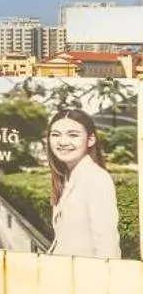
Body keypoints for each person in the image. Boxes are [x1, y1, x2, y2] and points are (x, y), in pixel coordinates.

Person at [46, 108, 122, 259]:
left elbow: (107, 246)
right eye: (55, 135)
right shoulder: (67, 177)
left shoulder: (97, 179)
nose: (62, 142)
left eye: (73, 135)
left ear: (90, 140)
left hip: (86, 278)